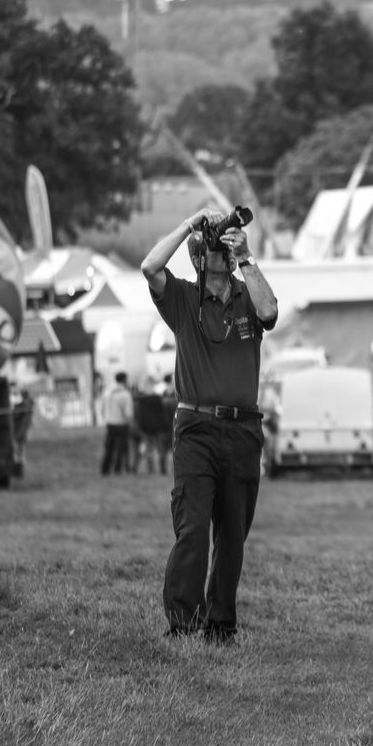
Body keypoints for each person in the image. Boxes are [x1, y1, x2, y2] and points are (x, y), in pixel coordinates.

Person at [142, 206, 278, 642]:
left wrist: (248, 258)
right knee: (194, 528)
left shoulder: (245, 294)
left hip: (242, 431)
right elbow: (149, 266)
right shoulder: (182, 298)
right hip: (196, 429)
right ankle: (182, 623)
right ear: (199, 257)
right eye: (215, 246)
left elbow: (270, 311)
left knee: (233, 536)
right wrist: (188, 224)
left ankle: (221, 626)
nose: (221, 249)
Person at [100, 371, 133, 475]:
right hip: (122, 424)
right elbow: (128, 412)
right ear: (124, 380)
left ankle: (105, 469)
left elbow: (102, 408)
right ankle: (117, 469)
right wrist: (130, 422)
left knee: (109, 447)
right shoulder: (125, 394)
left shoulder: (107, 392)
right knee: (121, 448)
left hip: (110, 423)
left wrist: (106, 418)